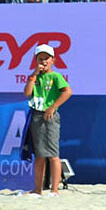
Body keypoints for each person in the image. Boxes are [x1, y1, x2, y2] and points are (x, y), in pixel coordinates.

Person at [23, 44, 72, 197]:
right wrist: (34, 74)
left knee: (53, 155)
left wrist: (52, 107)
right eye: (40, 59)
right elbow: (27, 93)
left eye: (46, 58)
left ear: (53, 60)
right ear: (36, 60)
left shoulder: (56, 76)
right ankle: (37, 190)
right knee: (39, 155)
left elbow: (67, 92)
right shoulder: (34, 77)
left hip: (50, 117)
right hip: (36, 116)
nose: (43, 61)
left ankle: (54, 190)